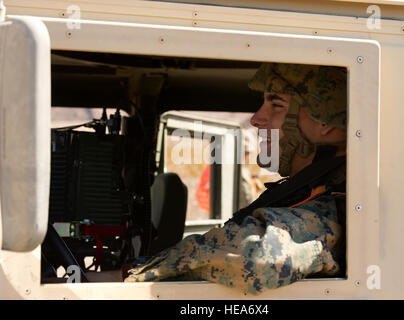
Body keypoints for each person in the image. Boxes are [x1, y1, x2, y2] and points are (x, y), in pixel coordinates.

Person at [124, 62, 347, 295]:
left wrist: (134, 274)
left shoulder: (337, 203)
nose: (257, 119)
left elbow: (258, 257)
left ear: (324, 121)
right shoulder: (303, 191)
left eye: (277, 105)